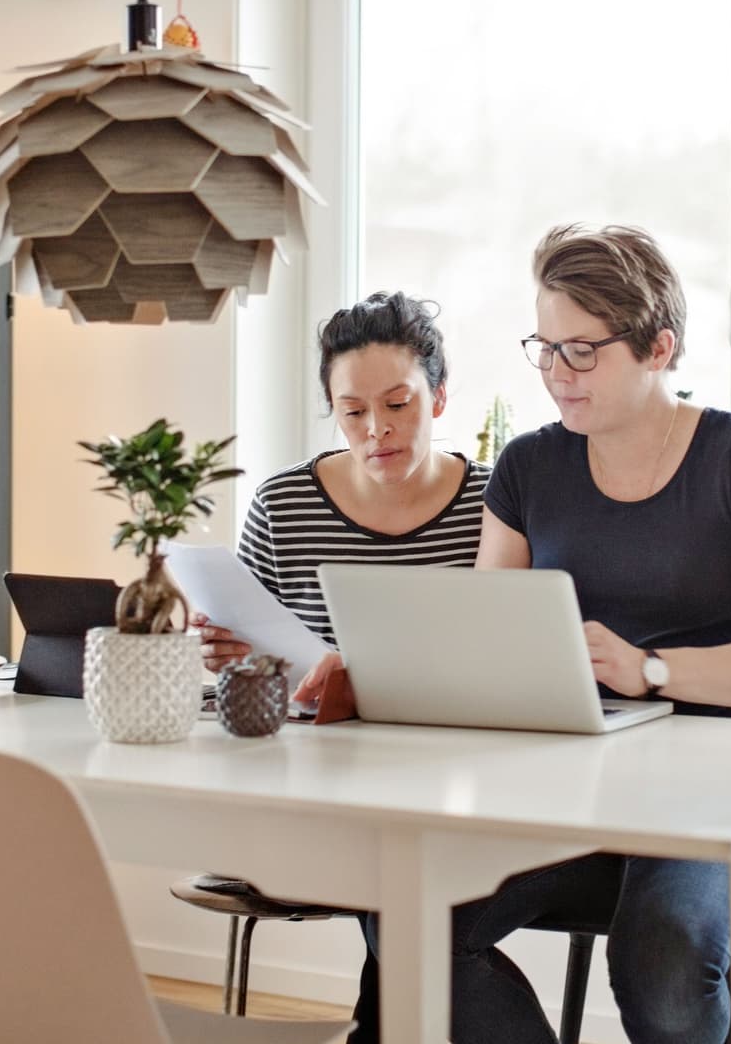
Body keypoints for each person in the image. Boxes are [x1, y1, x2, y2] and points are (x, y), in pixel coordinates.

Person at [454, 224, 731, 1044]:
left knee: (661, 957)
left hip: (728, 794)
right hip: (570, 791)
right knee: (410, 917)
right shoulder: (528, 469)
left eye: (583, 352)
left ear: (658, 346)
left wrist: (653, 672)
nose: (558, 374)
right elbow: (488, 640)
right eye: (545, 348)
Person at [192, 289, 489, 1044]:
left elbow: (506, 664)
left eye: (399, 404)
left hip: (460, 791)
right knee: (405, 906)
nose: (377, 430)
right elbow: (247, 671)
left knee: (413, 902)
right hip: (313, 792)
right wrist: (232, 659)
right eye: (353, 411)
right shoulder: (285, 503)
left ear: (440, 397)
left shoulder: (494, 502)